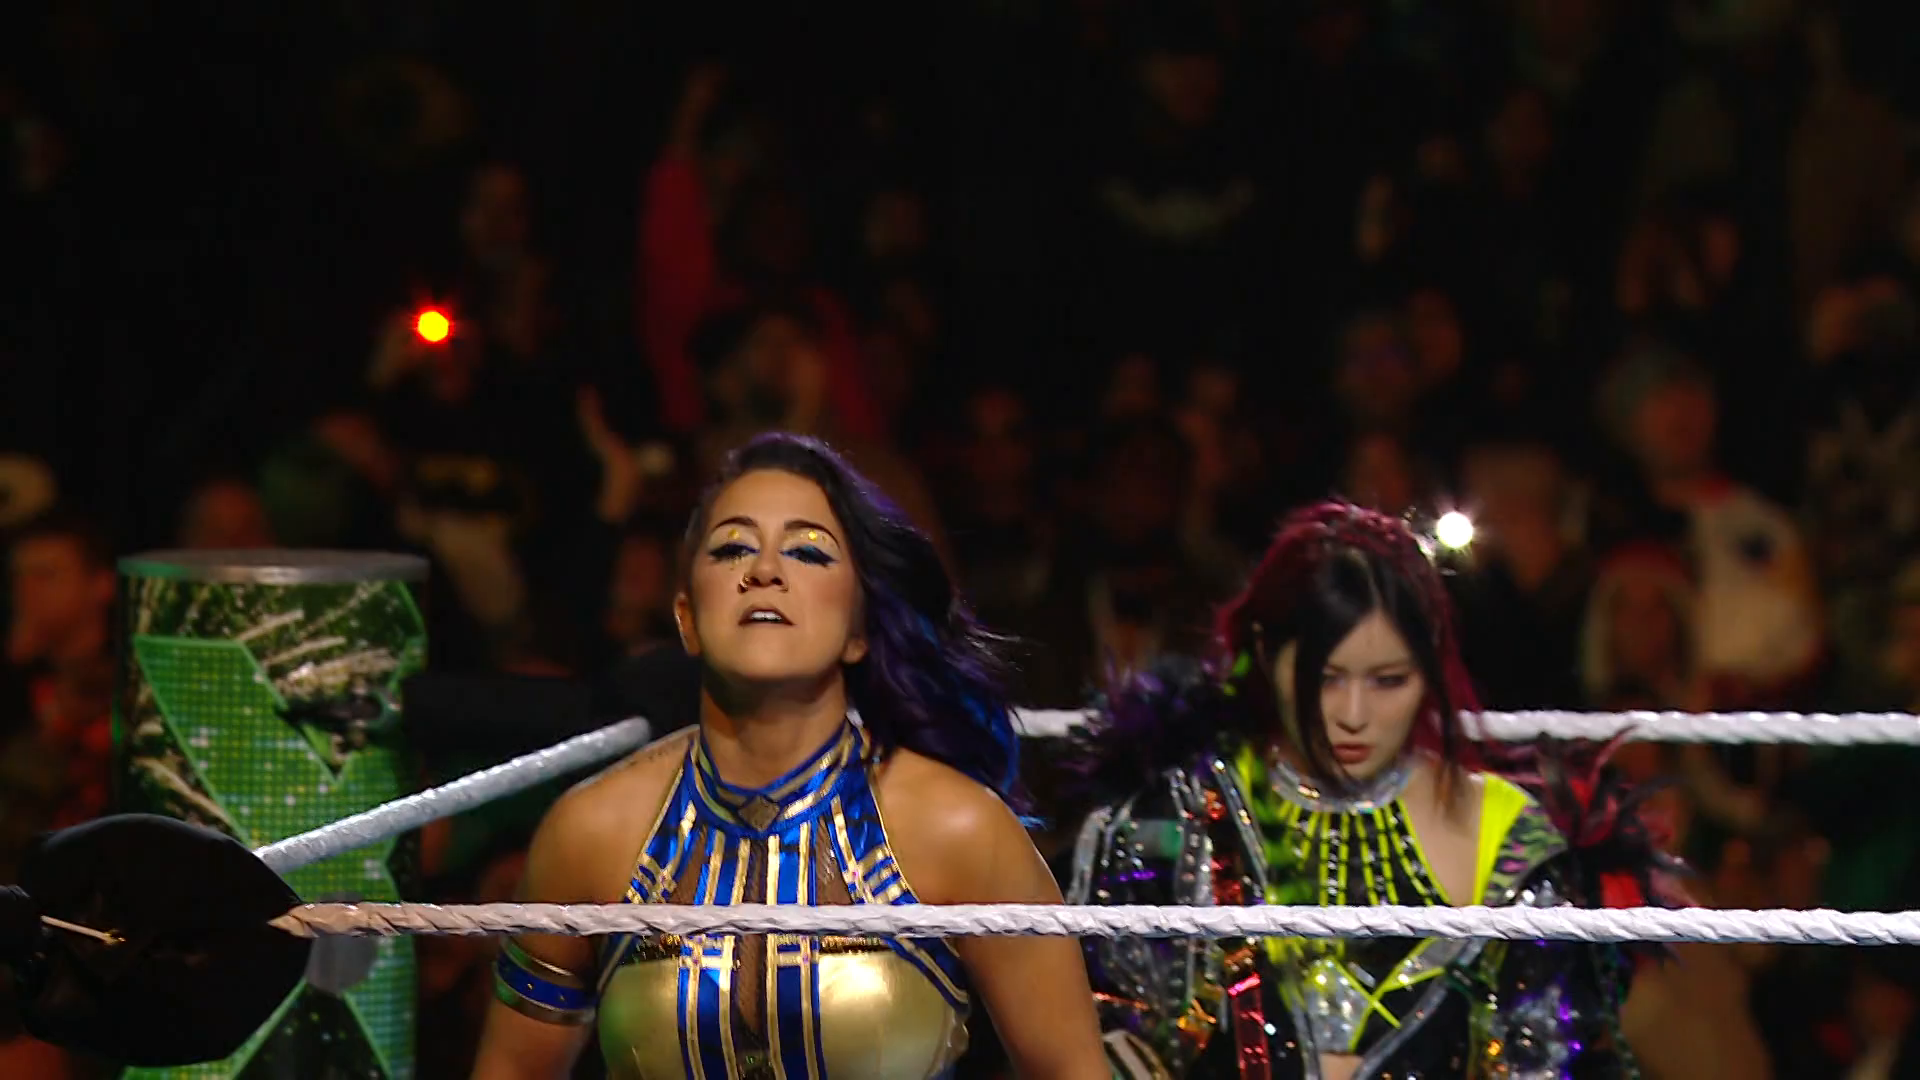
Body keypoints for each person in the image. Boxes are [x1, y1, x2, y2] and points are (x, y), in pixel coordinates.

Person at [474, 432, 1108, 1079]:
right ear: (687, 618)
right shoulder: (590, 833)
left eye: (808, 551)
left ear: (859, 630)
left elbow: (1074, 1071)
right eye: (732, 548)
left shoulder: (958, 829)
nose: (764, 571)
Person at [1065, 501, 1680, 1079]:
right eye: (1325, 679)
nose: (1353, 715)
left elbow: (1542, 1055)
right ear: (1264, 654)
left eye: (1388, 680)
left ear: (1430, 669)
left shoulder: (1507, 833)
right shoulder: (1172, 821)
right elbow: (1103, 1035)